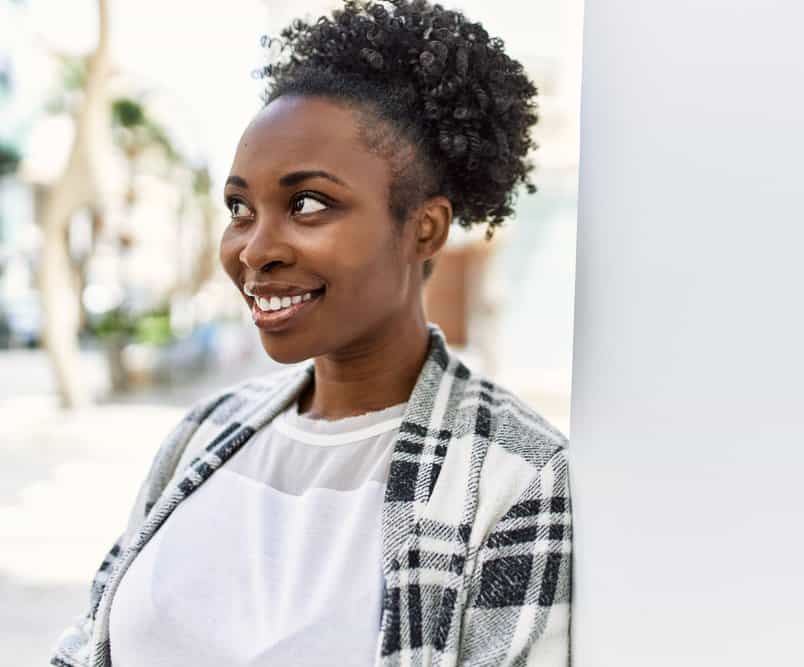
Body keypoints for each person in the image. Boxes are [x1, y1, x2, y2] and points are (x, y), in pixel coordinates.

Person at [49, 1, 572, 666]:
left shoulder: (513, 477)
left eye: (308, 204)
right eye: (240, 208)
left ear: (426, 227)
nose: (254, 248)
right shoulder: (205, 432)